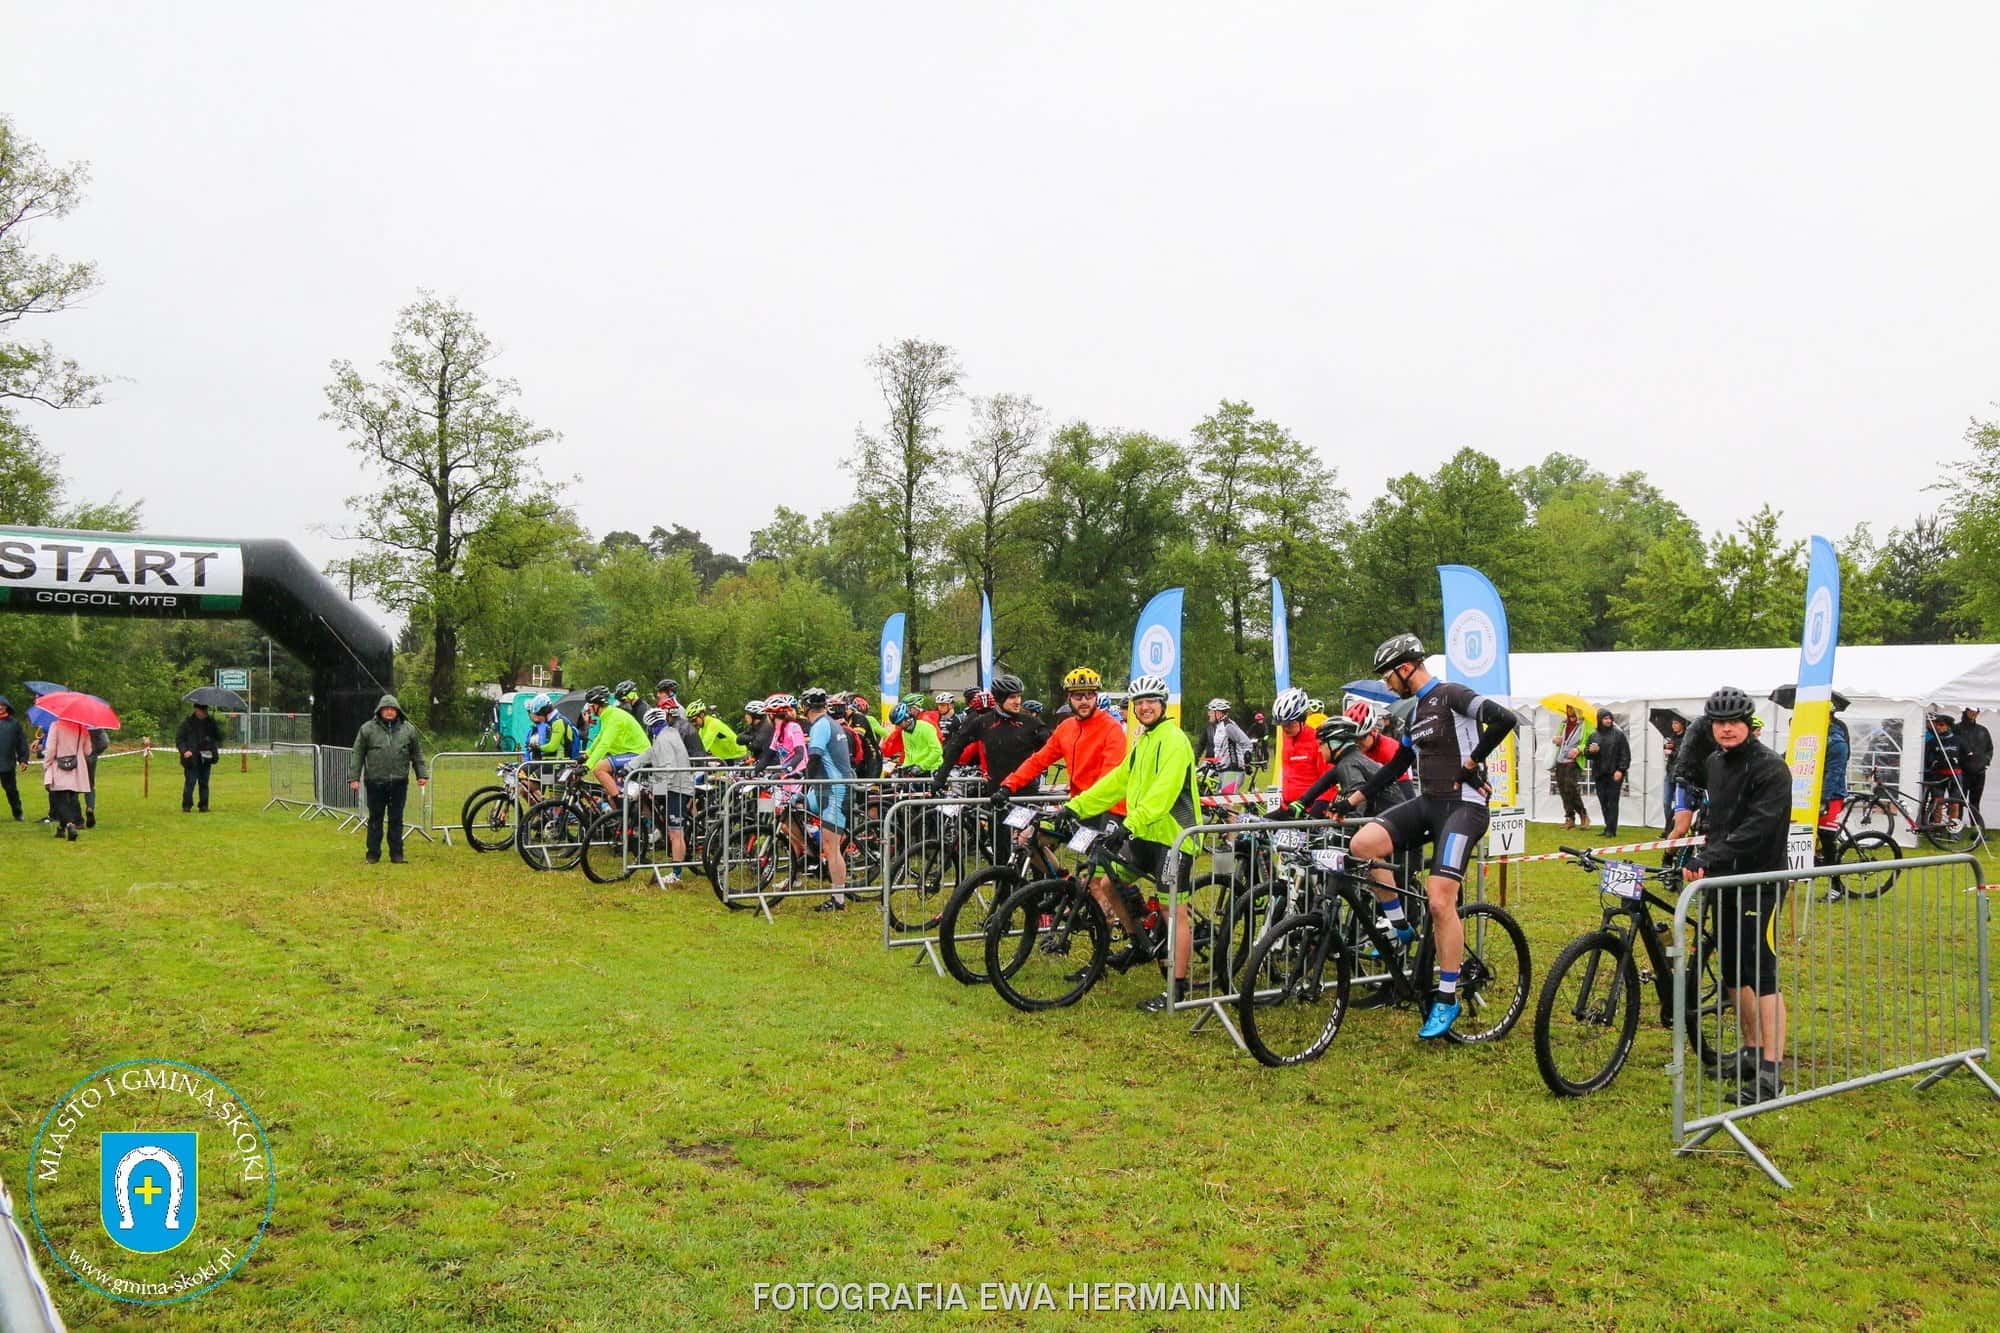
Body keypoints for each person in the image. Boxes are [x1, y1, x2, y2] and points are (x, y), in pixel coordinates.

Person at [1342, 634, 1518, 1040]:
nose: (1388, 685)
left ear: (1406, 668)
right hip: (1429, 803)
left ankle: (1447, 996)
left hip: (1463, 808)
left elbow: (1503, 719)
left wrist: (1472, 763)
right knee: (1362, 845)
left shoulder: (1452, 695)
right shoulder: (1415, 712)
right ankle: (1401, 926)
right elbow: (1397, 765)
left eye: (1388, 676)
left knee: (1440, 901)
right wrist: (1352, 800)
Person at [1061, 674, 1199, 1013]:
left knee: (1172, 910)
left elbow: (1163, 793)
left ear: (1162, 705)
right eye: (1140, 702)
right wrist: (1074, 807)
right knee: (1110, 884)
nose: (1145, 707)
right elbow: (1117, 782)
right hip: (1145, 835)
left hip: (1174, 839)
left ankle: (1177, 989)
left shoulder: (1175, 740)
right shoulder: (1143, 741)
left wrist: (1128, 825)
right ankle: (1139, 942)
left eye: (1151, 701)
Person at [1683, 685, 1792, 1107]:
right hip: (1723, 880)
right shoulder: (1715, 762)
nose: (1726, 730)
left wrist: (1710, 856)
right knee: (1732, 971)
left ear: (1748, 723)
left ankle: (1772, 1072)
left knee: (1762, 974)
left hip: (1760, 882)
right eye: (1719, 723)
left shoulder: (1771, 768)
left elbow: (1758, 828)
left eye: (1733, 723)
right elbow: (1719, 819)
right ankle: (1750, 1050)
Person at [345, 694, 430, 864]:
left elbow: (416, 754)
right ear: (380, 711)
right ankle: (372, 854)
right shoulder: (367, 729)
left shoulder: (409, 730)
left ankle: (397, 855)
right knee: (375, 819)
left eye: (392, 709)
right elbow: (357, 754)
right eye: (386, 709)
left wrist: (421, 774)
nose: (389, 712)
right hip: (374, 782)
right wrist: (354, 778)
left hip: (399, 782)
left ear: (398, 711)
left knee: (396, 819)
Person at [800, 688, 855, 911]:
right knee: (791, 811)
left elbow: (814, 757)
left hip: (835, 790)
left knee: (832, 847)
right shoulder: (829, 722)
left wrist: (805, 781)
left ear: (805, 707)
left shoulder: (821, 725)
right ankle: (811, 854)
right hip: (823, 788)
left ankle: (838, 899)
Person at [632, 706, 693, 882]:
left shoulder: (664, 739)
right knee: (674, 829)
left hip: (677, 788)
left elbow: (669, 768)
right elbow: (650, 753)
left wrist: (657, 786)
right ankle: (661, 833)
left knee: (676, 833)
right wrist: (630, 765)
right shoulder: (666, 734)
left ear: (650, 727)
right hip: (676, 785)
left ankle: (676, 874)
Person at [581, 685, 649, 802]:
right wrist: (586, 755)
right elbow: (600, 738)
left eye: (590, 706)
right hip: (629, 753)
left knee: (599, 769)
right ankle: (620, 808)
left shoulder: (614, 717)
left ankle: (621, 803)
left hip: (638, 753)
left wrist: (588, 766)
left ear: (597, 705)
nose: (588, 709)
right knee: (609, 795)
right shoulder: (607, 715)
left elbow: (604, 744)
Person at [1271, 687, 1327, 812]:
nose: (1285, 728)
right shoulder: (1286, 737)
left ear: (1302, 719)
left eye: (1289, 724)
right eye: (1282, 725)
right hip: (1287, 807)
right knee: (1256, 823)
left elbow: (1329, 780)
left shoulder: (1317, 741)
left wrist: (1318, 809)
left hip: (1309, 808)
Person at [41, 717, 92, 840]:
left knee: (60, 800)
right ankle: (61, 829)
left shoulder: (56, 726)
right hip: (77, 768)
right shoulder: (82, 727)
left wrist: (46, 764)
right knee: (70, 800)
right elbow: (88, 751)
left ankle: (69, 825)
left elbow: (51, 749)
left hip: (59, 766)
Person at [1587, 709, 1631, 837]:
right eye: (1605, 718)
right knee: (1603, 801)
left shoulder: (1619, 735)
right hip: (1599, 773)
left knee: (1612, 801)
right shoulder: (1593, 735)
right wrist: (1591, 751)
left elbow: (1625, 754)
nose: (1608, 721)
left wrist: (1621, 770)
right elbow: (1587, 753)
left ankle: (1612, 830)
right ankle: (1608, 827)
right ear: (1600, 720)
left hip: (1614, 773)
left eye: (1610, 718)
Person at [176, 702, 224, 813]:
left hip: (206, 756)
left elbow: (219, 737)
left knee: (204, 782)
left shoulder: (211, 723)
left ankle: (204, 805)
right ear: (196, 710)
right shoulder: (187, 723)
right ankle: (187, 805)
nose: (204, 713)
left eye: (205, 710)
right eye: (202, 710)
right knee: (190, 782)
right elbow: (179, 740)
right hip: (191, 757)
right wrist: (185, 751)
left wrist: (215, 726)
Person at [1201, 699, 1256, 791]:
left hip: (1232, 771)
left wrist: (1247, 759)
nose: (1208, 714)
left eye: (1210, 711)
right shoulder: (1219, 726)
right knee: (1216, 797)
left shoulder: (1228, 726)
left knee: (1226, 799)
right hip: (1223, 770)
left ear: (1218, 713)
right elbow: (1220, 749)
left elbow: (1246, 743)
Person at [1552, 704, 1590, 830]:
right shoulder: (1563, 723)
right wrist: (1556, 740)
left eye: (1572, 707)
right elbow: (1559, 740)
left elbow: (1589, 741)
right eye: (1568, 708)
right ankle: (1569, 818)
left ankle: (1583, 815)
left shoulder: (1585, 724)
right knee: (1563, 790)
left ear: (1578, 709)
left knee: (1571, 788)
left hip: (1573, 761)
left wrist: (1579, 749)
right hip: (1560, 760)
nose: (1570, 710)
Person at [881, 701, 943, 775]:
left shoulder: (925, 728)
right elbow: (908, 754)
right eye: (897, 724)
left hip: (932, 768)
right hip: (917, 769)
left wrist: (921, 766)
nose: (899, 726)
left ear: (907, 717)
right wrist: (904, 768)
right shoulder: (904, 732)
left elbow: (937, 751)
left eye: (900, 723)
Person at [1954, 707, 1992, 827]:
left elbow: (1989, 749)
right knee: (1959, 801)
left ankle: (1976, 828)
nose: (1974, 713)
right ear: (1965, 711)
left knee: (1975, 802)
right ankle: (1956, 828)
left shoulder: (1982, 730)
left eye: (1976, 711)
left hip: (1979, 772)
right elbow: (1952, 748)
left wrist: (1986, 762)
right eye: (1971, 710)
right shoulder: (1956, 729)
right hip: (1962, 772)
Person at [0, 696, 29, 821]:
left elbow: (21, 743)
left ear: (6, 707)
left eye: (2, 705)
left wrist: (23, 759)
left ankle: (18, 813)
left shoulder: (14, 724)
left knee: (11, 790)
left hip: (7, 763)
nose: (0, 707)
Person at [1660, 716, 1686, 835]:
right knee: (1666, 802)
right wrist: (1666, 747)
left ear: (1682, 724)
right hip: (1669, 772)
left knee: (1678, 804)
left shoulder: (1686, 738)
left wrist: (1673, 750)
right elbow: (1668, 752)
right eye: (1672, 723)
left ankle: (1673, 828)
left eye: (1676, 723)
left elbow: (1683, 754)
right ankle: (1668, 827)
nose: (1673, 726)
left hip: (1680, 774)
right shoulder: (1671, 737)